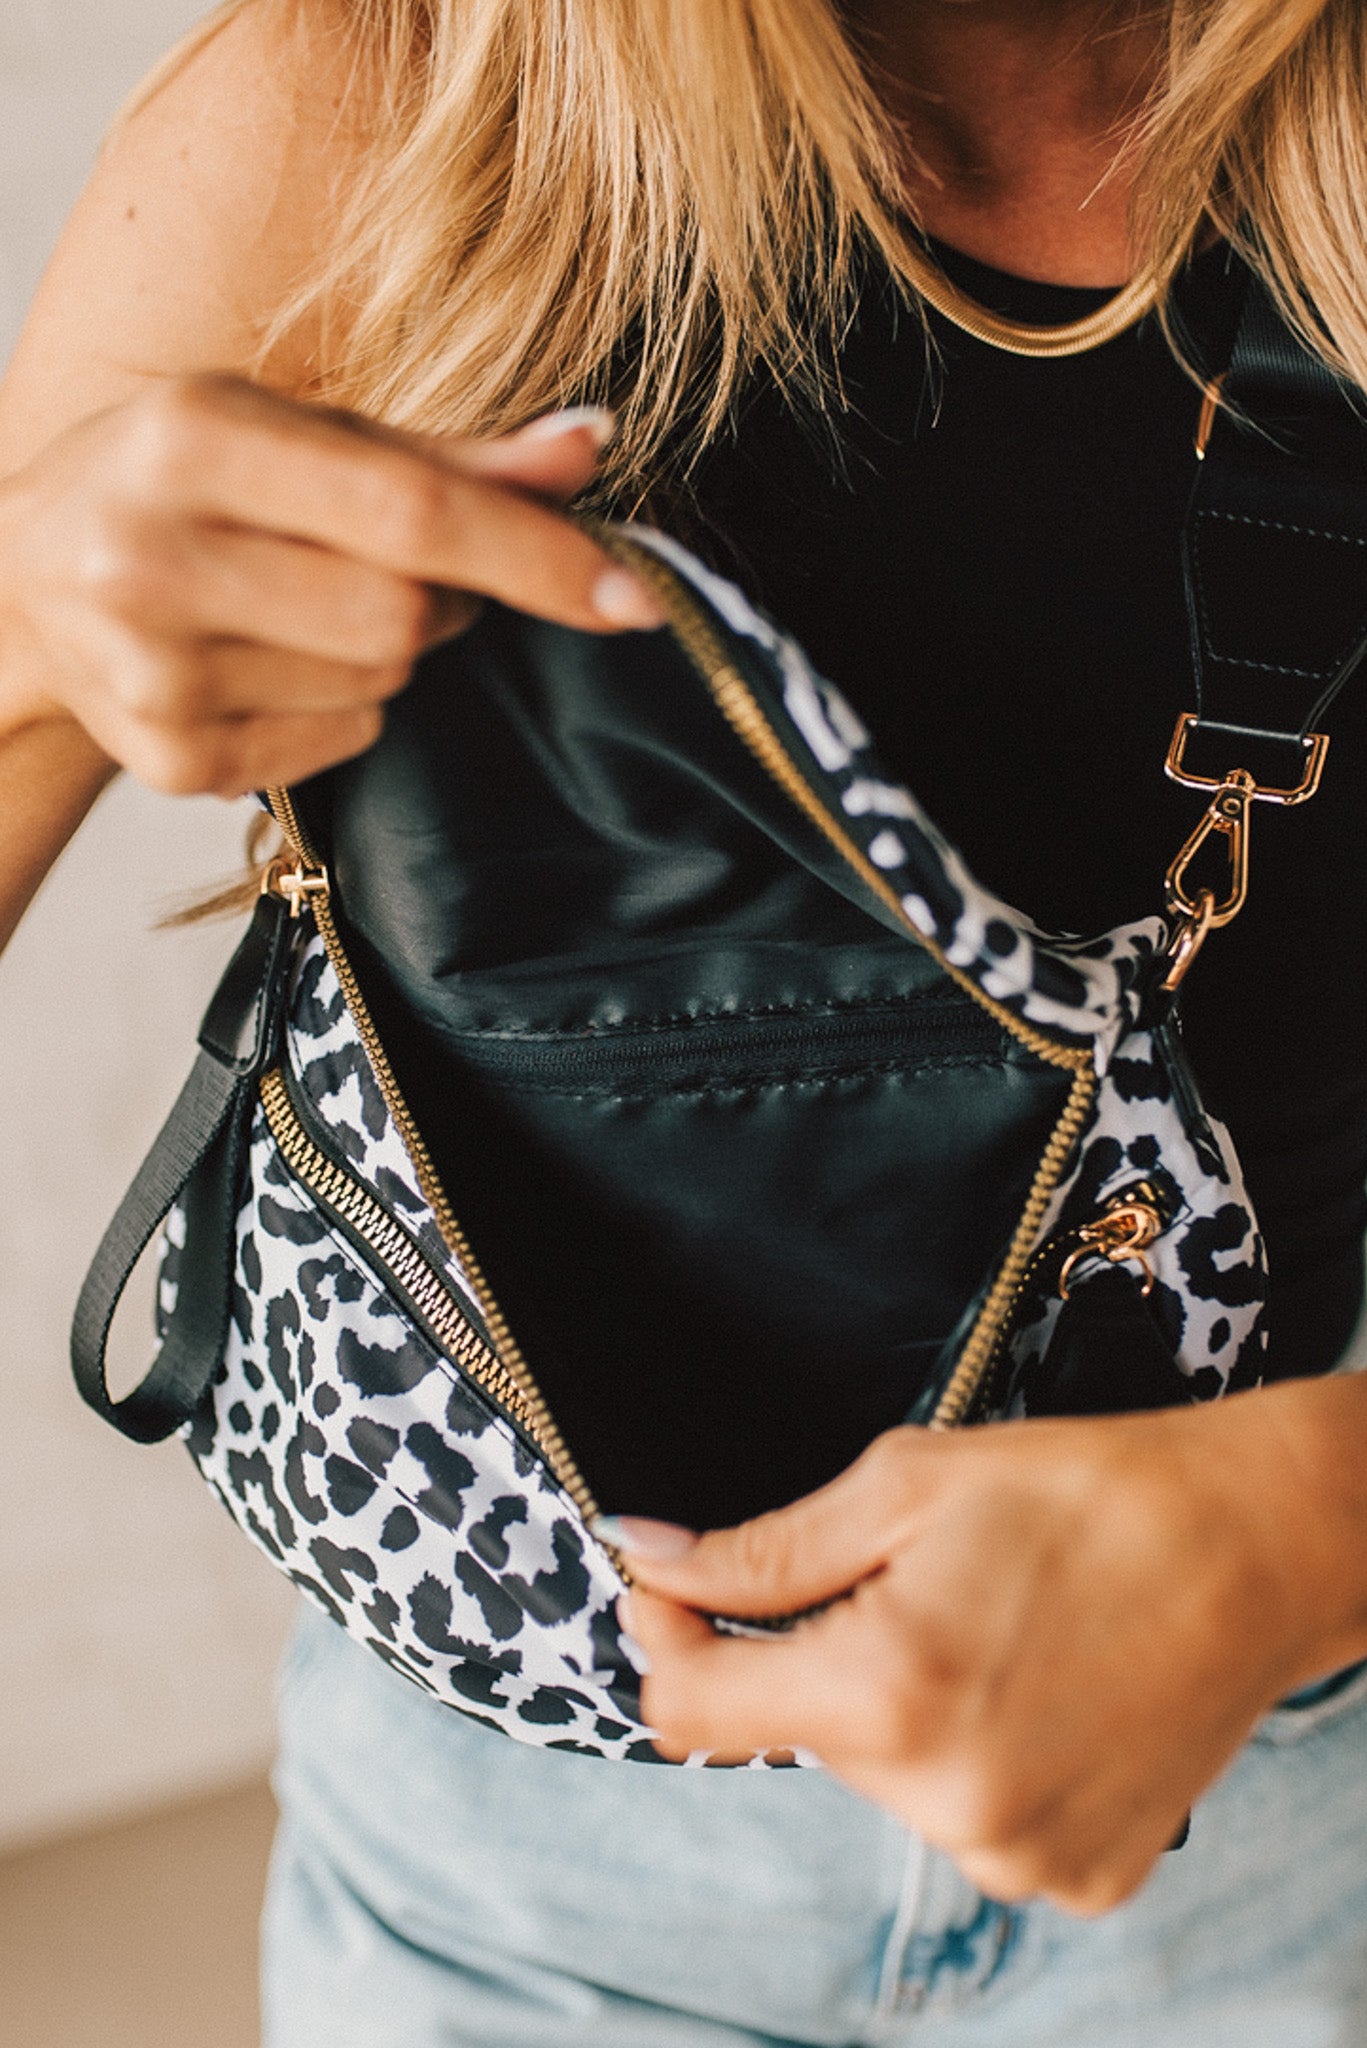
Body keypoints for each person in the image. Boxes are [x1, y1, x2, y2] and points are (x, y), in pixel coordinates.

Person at [4, 0, 1367, 2039]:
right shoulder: (370, 100)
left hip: (1277, 1818)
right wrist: (27, 634)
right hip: (512, 1868)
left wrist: (1309, 1528)